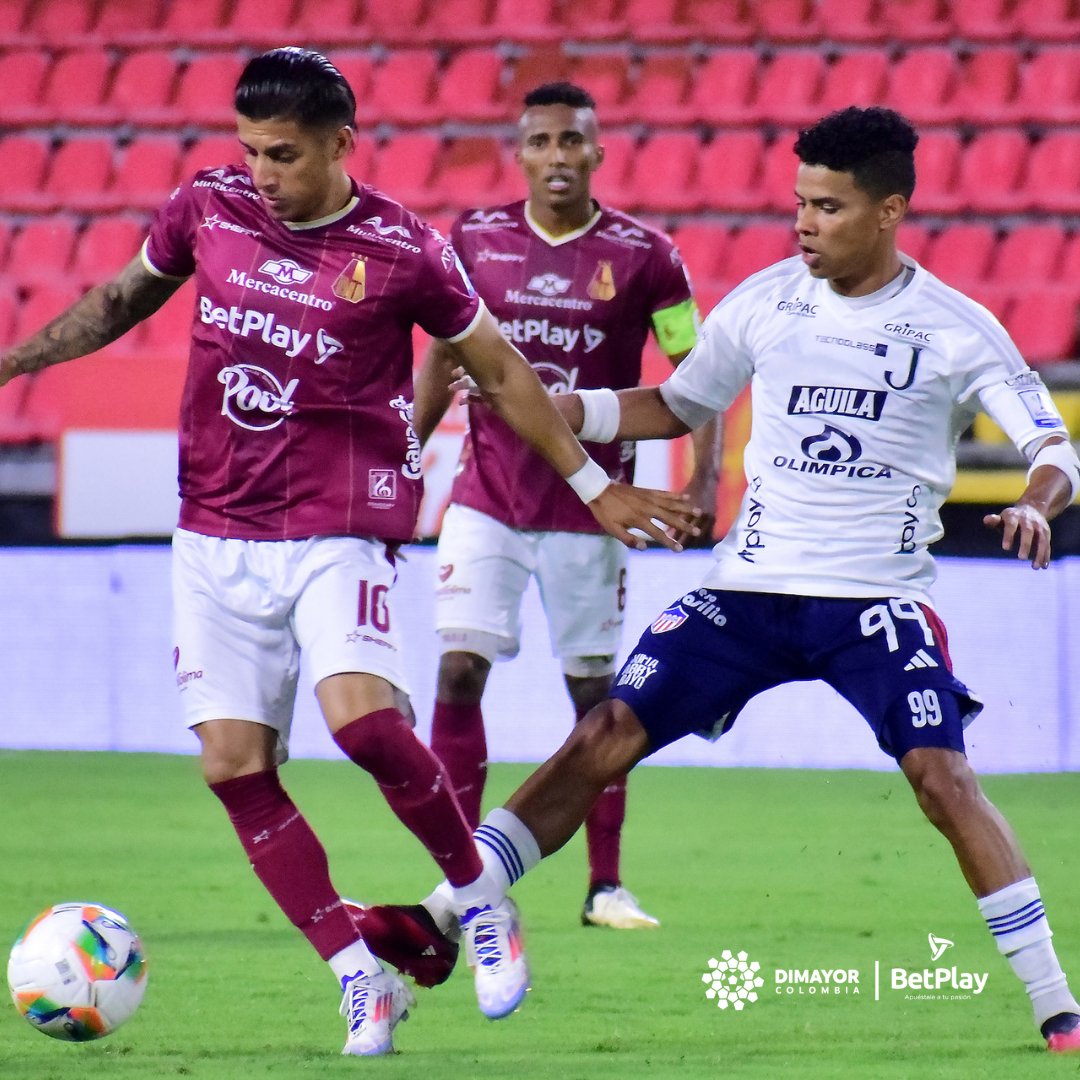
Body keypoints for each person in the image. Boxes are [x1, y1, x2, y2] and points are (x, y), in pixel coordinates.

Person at [0, 48, 695, 1056]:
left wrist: (595, 485)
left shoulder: (405, 249)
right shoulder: (207, 208)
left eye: (283, 154)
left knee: (364, 727)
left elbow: (501, 371)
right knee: (233, 766)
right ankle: (361, 978)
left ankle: (480, 901)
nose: (262, 173)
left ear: (341, 144)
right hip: (213, 529)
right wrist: (12, 362)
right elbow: (117, 303)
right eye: (250, 150)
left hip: (338, 523)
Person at [411, 106, 1080, 1052]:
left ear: (889, 211)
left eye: (828, 208)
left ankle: (1057, 1004)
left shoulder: (955, 328)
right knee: (605, 731)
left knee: (942, 778)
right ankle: (444, 913)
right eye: (799, 203)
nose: (804, 223)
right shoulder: (769, 299)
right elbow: (678, 403)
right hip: (747, 590)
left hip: (873, 600)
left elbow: (1054, 447)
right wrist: (572, 407)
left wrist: (1036, 503)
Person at [413, 81, 720, 932]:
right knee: (458, 669)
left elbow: (698, 376)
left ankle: (604, 886)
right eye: (542, 141)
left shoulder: (648, 255)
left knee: (595, 699)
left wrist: (704, 481)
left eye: (572, 141)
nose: (558, 156)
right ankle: (463, 878)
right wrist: (406, 459)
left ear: (597, 152)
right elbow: (440, 357)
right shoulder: (473, 240)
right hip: (487, 497)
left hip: (592, 508)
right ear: (520, 153)